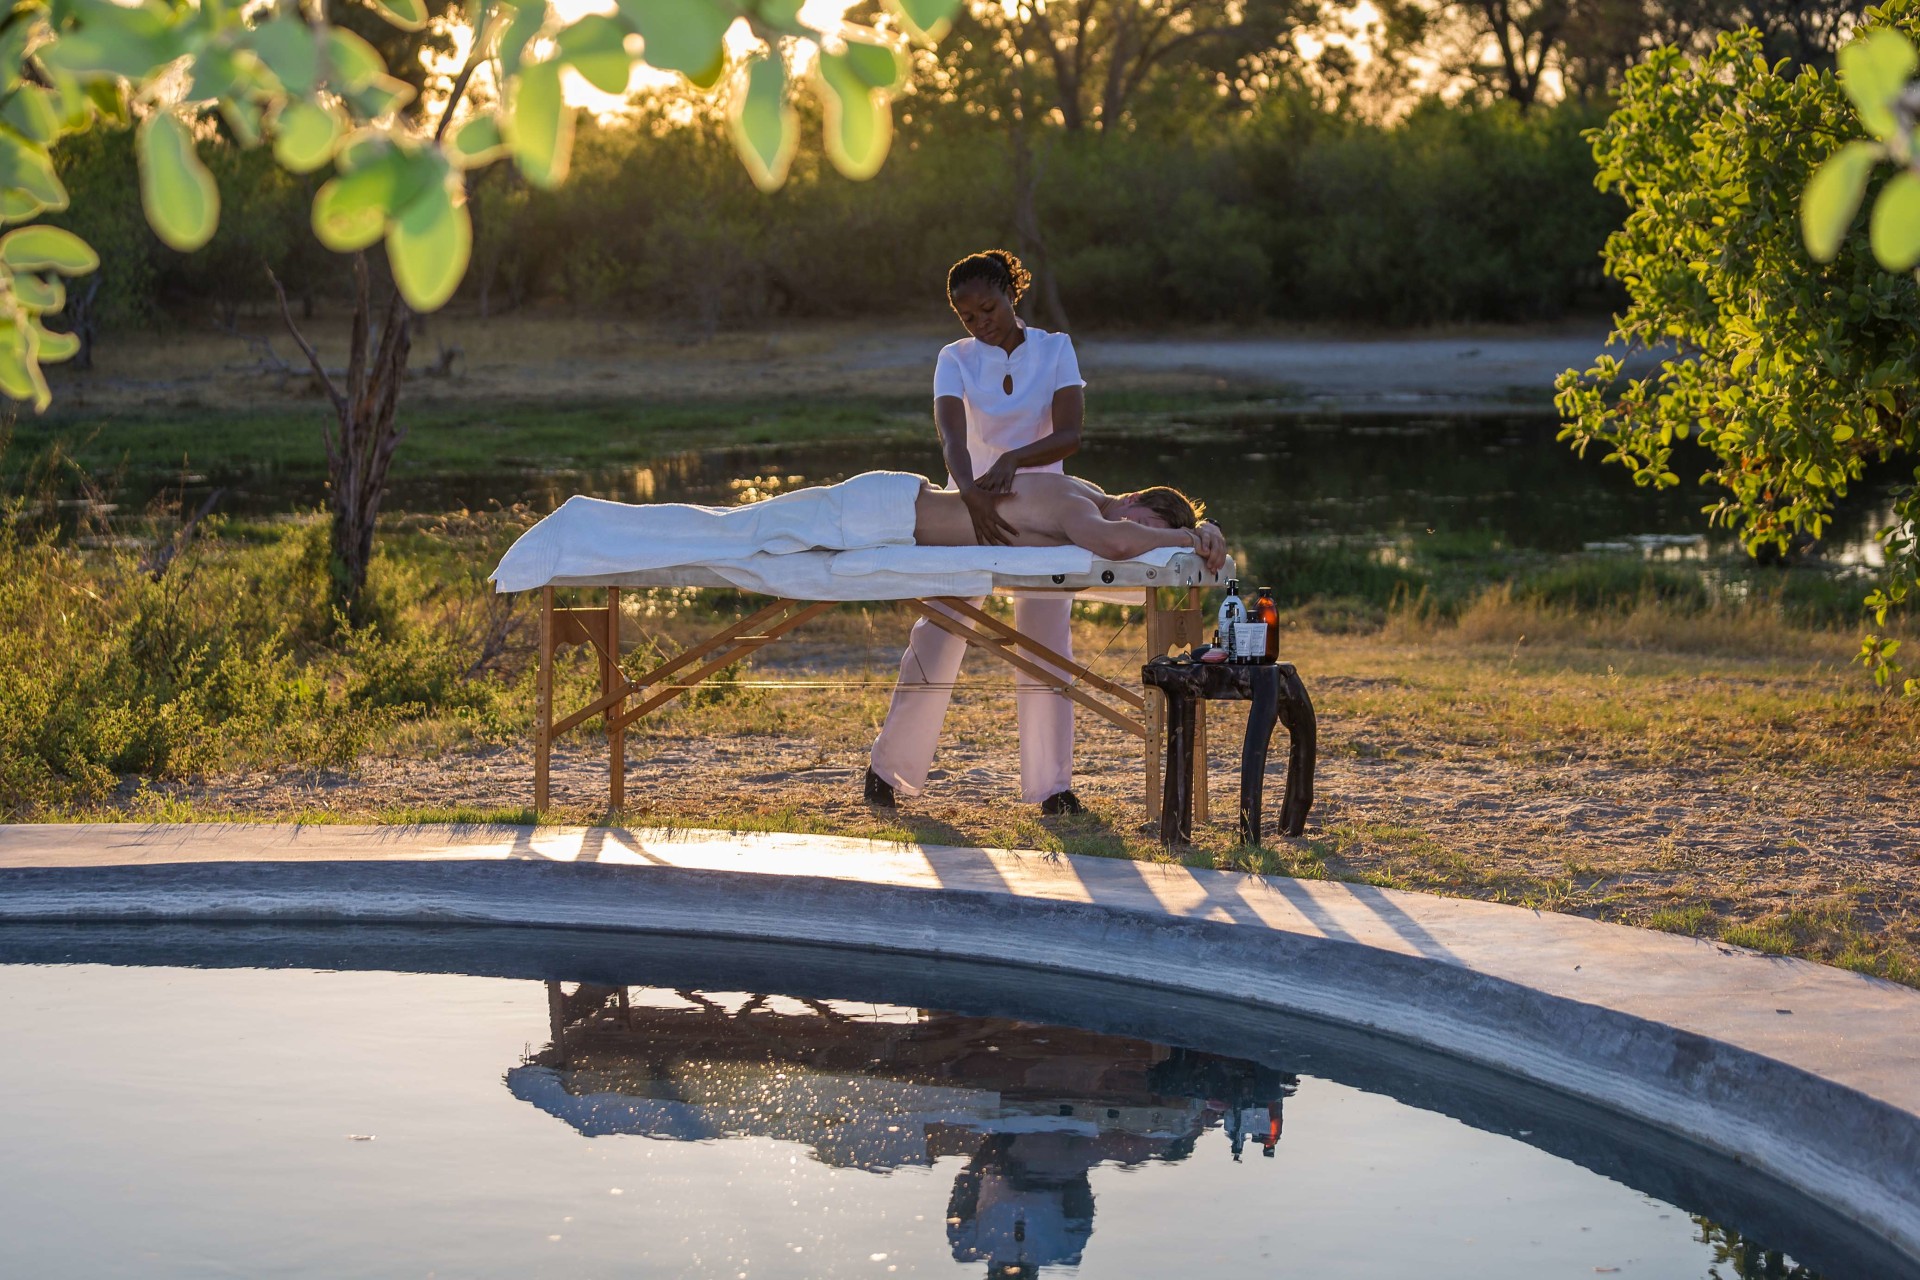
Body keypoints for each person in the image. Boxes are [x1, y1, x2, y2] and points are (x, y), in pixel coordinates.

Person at [866, 249, 1094, 816]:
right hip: (967, 511)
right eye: (967, 316)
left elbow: (1068, 435)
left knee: (1046, 642)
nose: (980, 321)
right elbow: (950, 435)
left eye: (988, 307)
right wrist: (968, 494)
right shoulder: (955, 357)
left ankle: (1052, 788)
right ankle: (886, 772)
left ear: (1011, 292)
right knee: (939, 631)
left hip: (1043, 517)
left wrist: (1015, 460)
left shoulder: (1055, 348)